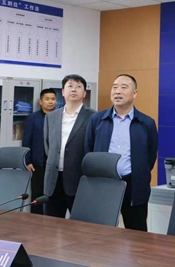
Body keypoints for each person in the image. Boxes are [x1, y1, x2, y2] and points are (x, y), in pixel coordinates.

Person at [85, 74, 158, 232]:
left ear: (135, 93)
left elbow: (150, 156)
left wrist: (138, 172)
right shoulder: (97, 119)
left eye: (124, 87)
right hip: (103, 183)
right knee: (100, 232)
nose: (117, 91)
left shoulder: (146, 123)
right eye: (114, 87)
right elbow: (89, 151)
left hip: (133, 185)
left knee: (137, 233)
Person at [43, 75, 95, 218]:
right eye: (70, 86)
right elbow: (48, 146)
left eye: (78, 87)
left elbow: (93, 148)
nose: (74, 89)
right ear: (63, 92)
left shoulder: (93, 117)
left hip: (79, 179)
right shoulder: (51, 117)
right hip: (53, 180)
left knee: (81, 225)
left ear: (84, 93)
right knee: (50, 225)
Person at [22, 89, 56, 215]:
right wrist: (28, 161)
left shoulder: (59, 117)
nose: (50, 102)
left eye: (53, 99)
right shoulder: (33, 118)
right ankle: (36, 220)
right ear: (41, 102)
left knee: (54, 194)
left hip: (54, 162)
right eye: (47, 99)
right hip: (38, 162)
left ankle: (52, 219)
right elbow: (27, 140)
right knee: (37, 193)